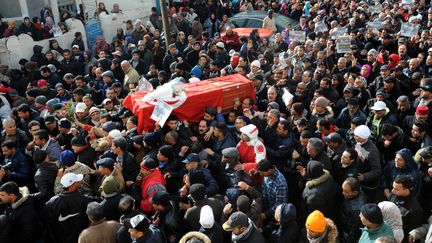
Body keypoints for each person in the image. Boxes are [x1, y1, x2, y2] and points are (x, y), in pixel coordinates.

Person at [42, 173, 93, 243]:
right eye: (77, 181)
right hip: (81, 239)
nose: (79, 182)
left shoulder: (51, 202)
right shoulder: (86, 200)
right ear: (72, 185)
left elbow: (45, 221)